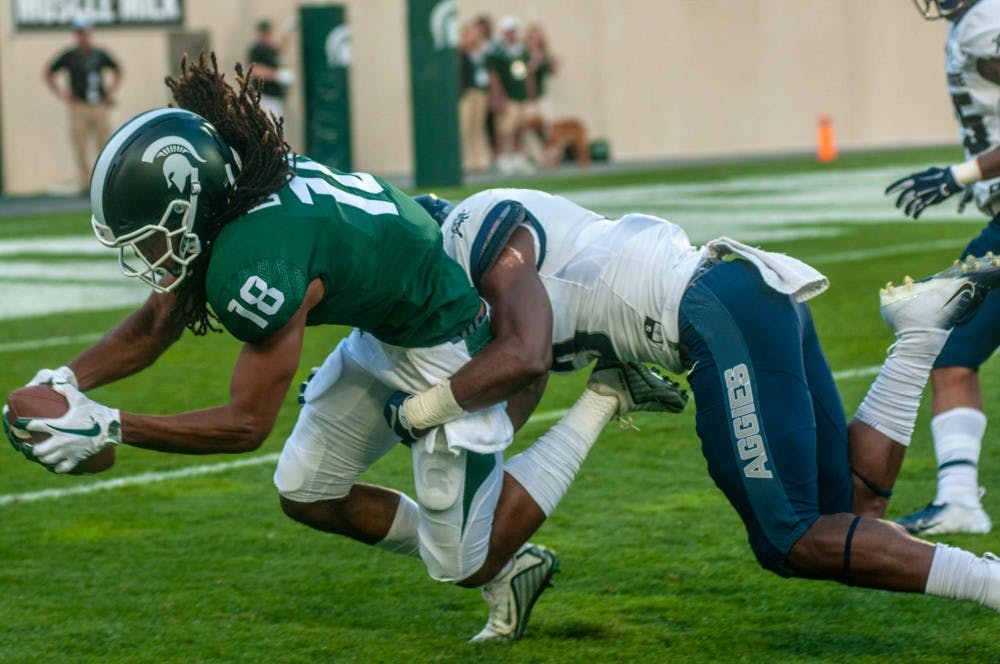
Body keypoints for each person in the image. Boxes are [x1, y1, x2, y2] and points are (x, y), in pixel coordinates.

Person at [2, 54, 686, 643]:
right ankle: (505, 556)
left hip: (454, 347)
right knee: (305, 490)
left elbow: (246, 424)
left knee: (462, 565)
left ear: (194, 202)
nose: (147, 253)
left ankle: (607, 394)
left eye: (150, 233)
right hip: (389, 328)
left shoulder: (256, 261)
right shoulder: (244, 193)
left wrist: (110, 422)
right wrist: (64, 378)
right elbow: (157, 322)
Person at [411, 187, 1000, 633]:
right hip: (750, 293)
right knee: (849, 509)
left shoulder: (469, 232)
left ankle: (991, 583)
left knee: (790, 538)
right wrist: (481, 442)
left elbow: (528, 356)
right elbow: (523, 381)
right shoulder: (501, 271)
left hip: (713, 312)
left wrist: (423, 411)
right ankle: (919, 336)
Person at [885, 0, 1000, 536]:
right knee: (951, 350)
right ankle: (958, 501)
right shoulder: (971, 24)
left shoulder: (987, 21)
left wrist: (961, 174)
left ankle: (959, 502)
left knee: (949, 345)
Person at [44, 17, 122, 194]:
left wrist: (110, 92)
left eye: (85, 32)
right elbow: (48, 72)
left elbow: (118, 69)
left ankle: (106, 180)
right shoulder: (70, 56)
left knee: (104, 142)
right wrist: (62, 95)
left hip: (99, 105)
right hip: (79, 105)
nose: (82, 36)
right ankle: (86, 183)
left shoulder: (99, 54)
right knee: (80, 144)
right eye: (79, 33)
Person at [487, 16, 533, 174]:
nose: (512, 35)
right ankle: (503, 157)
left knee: (520, 127)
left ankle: (518, 156)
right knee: (505, 129)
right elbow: (494, 77)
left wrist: (529, 91)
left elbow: (526, 72)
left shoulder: (521, 50)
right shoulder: (498, 52)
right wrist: (498, 96)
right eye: (509, 31)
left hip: (520, 94)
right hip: (507, 95)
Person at [458, 20, 491, 173]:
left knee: (478, 127)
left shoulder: (480, 52)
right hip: (467, 92)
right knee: (465, 126)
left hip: (480, 92)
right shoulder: (460, 53)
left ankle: (480, 160)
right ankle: (465, 161)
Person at [247, 19, 295, 122]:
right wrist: (277, 75)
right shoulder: (256, 49)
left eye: (267, 32)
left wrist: (287, 32)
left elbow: (280, 48)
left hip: (274, 96)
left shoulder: (269, 48)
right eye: (263, 32)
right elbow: (255, 70)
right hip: (263, 96)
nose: (265, 35)